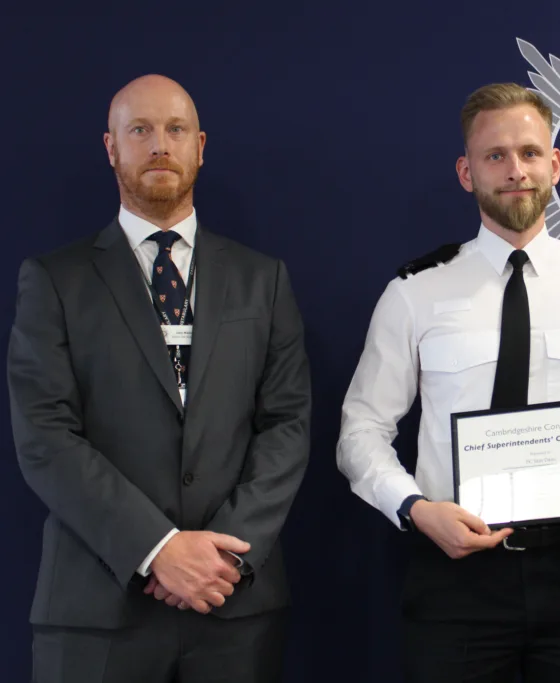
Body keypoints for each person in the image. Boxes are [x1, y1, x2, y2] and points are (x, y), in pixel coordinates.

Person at [337, 82, 560, 682]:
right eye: (494, 156)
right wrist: (416, 509)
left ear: (553, 165)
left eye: (528, 153)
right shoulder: (415, 292)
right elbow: (361, 431)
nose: (514, 170)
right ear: (466, 173)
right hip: (455, 577)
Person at [7, 74, 311, 683]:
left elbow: (287, 423)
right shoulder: (54, 280)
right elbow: (45, 435)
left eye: (174, 130)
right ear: (110, 147)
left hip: (234, 605)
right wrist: (158, 549)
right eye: (139, 130)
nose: (158, 145)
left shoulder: (264, 279)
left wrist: (220, 552)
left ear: (201, 144)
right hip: (97, 610)